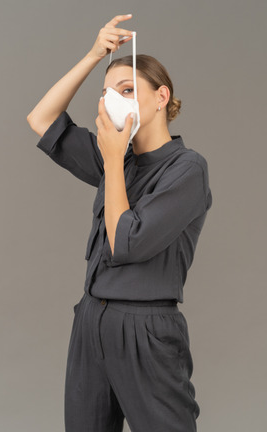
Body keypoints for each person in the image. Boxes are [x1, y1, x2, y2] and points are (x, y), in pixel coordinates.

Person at [27, 13, 212, 432]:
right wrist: (95, 55)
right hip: (92, 321)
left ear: (162, 96)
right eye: (107, 94)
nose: (115, 100)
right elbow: (41, 120)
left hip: (146, 330)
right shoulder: (118, 159)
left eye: (127, 90)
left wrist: (111, 160)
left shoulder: (187, 170)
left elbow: (125, 243)